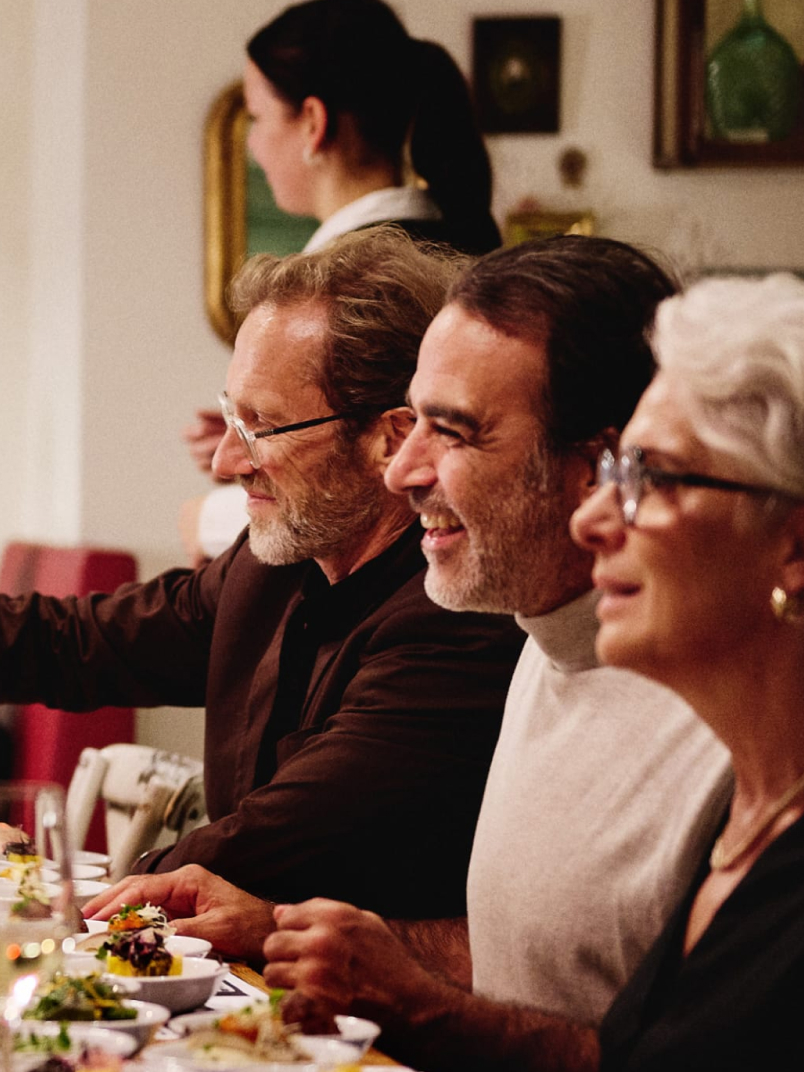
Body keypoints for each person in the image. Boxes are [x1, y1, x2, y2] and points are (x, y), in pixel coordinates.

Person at [86, 238, 731, 1051]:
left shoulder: (720, 712)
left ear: (596, 470)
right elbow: (551, 954)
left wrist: (428, 1008)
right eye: (410, 422)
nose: (401, 471)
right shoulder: (545, 635)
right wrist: (279, 927)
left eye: (451, 431)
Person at [0, 228, 523, 937]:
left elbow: (273, 840)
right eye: (229, 416)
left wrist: (42, 885)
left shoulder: (457, 611)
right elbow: (82, 642)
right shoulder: (271, 564)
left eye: (260, 426)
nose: (223, 460)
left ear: (391, 439)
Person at [570, 272, 804, 1070]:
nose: (591, 519)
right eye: (614, 473)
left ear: (797, 546)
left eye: (657, 478)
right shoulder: (748, 814)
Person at [182, 0, 501, 564]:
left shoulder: (362, 285)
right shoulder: (449, 235)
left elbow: (379, 479)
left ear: (312, 121)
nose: (253, 143)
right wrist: (269, 430)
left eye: (257, 116)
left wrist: (204, 523)